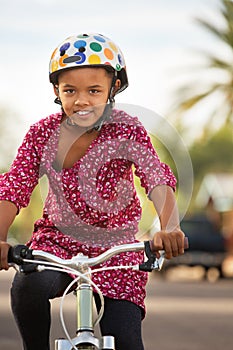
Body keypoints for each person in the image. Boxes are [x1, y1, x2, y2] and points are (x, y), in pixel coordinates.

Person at [0, 33, 186, 350]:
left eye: (94, 90)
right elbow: (15, 184)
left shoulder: (127, 128)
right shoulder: (43, 133)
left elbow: (154, 177)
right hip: (57, 242)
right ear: (56, 91)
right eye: (70, 90)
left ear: (113, 89)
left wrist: (170, 227)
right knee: (27, 284)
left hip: (116, 246)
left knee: (125, 337)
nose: (82, 100)